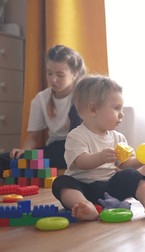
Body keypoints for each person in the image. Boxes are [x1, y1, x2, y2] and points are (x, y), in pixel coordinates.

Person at [51, 75, 145, 221]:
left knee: (133, 176)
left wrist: (141, 161)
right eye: (116, 108)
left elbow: (124, 164)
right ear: (93, 109)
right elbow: (81, 162)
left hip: (110, 187)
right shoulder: (76, 136)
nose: (121, 114)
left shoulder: (118, 138)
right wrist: (100, 157)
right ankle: (84, 206)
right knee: (62, 183)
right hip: (83, 187)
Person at [0, 45, 86, 179]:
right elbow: (32, 137)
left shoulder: (81, 95)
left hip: (78, 148)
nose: (53, 79)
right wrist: (25, 154)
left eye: (60, 75)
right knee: (9, 159)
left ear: (74, 74)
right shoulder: (41, 98)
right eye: (49, 73)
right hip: (54, 151)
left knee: (78, 106)